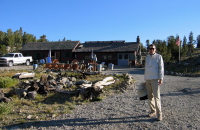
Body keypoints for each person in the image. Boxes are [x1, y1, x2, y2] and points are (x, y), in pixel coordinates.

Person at [144, 44, 164, 121]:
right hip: (148, 79)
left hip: (155, 79)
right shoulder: (147, 58)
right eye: (150, 49)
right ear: (148, 50)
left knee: (157, 97)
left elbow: (161, 68)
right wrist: (145, 79)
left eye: (153, 48)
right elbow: (146, 69)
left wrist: (161, 78)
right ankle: (153, 111)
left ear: (155, 49)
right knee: (150, 96)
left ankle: (160, 114)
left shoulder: (159, 57)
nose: (151, 50)